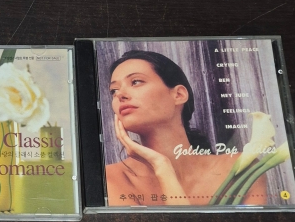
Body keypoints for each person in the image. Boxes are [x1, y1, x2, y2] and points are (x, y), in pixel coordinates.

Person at [105, 50, 267, 206]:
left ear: (179, 95)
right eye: (114, 90)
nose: (120, 95)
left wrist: (163, 168)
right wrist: (161, 165)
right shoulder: (112, 178)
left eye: (136, 82)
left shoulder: (240, 169)